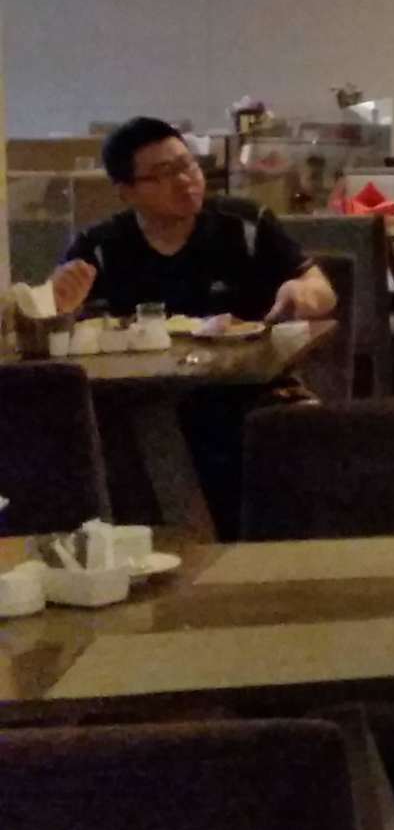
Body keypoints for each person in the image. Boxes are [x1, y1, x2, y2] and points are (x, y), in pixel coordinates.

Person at [48, 117, 337, 532]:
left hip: (248, 388)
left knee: (305, 440)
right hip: (137, 399)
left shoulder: (244, 224)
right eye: (163, 174)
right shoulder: (99, 248)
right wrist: (61, 306)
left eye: (188, 165)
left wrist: (302, 292)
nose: (185, 180)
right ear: (126, 191)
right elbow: (53, 325)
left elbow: (320, 288)